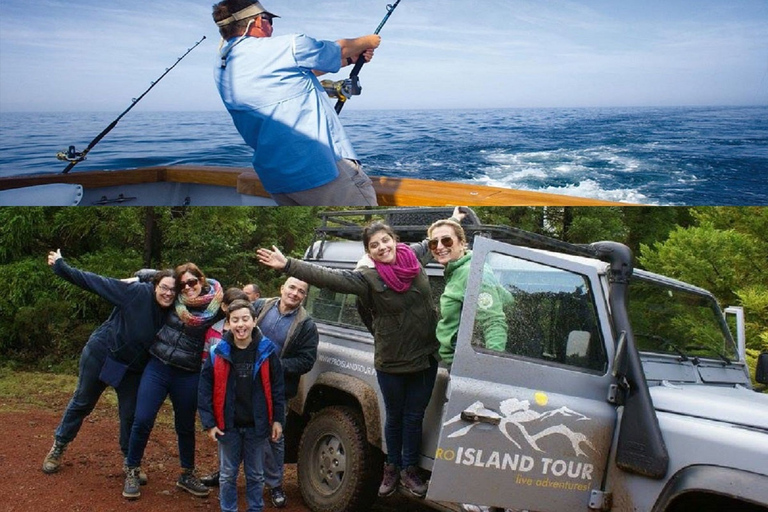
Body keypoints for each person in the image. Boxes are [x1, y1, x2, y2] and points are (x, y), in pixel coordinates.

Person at [257, 222, 439, 498]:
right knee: (395, 417)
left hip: (425, 357)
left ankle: (409, 470)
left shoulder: (412, 257)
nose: (382, 247)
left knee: (414, 417)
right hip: (391, 360)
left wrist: (453, 222)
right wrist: (288, 265)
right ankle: (391, 468)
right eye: (374, 245)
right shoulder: (367, 278)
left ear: (394, 240)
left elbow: (430, 241)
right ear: (369, 252)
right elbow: (329, 277)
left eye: (385, 240)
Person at [211, 0, 381, 206]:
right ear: (257, 21)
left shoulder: (223, 65)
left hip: (278, 180)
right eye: (269, 19)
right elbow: (340, 48)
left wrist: (350, 60)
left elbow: (301, 71)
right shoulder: (289, 45)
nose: (272, 26)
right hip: (322, 171)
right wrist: (368, 41)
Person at [42, 250, 176, 480]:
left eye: (173, 290)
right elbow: (95, 282)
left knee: (130, 415)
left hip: (132, 369)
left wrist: (146, 274)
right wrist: (62, 267)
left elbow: (207, 286)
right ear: (155, 285)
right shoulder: (134, 293)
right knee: (82, 402)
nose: (168, 293)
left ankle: (130, 461)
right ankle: (59, 445)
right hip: (102, 354)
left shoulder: (177, 309)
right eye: (163, 287)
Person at [122, 263, 224, 500]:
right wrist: (143, 276)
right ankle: (132, 470)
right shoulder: (173, 299)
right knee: (143, 419)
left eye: (193, 282)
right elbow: (147, 276)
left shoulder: (216, 306)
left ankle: (187, 474)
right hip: (158, 366)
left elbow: (240, 305)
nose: (188, 287)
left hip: (188, 373)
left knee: (185, 425)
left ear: (202, 280)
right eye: (183, 284)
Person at [198, 300, 286, 512]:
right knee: (227, 474)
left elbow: (277, 388)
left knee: (256, 474)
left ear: (255, 321)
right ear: (228, 323)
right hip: (228, 425)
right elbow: (204, 389)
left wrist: (277, 420)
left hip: (258, 426)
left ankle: (255, 508)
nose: (241, 325)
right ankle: (229, 509)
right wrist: (209, 423)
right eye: (235, 320)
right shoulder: (217, 352)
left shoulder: (267, 351)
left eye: (245, 319)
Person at [252, 276, 319, 508]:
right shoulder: (261, 306)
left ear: (304, 296)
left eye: (301, 291)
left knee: (274, 438)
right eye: (292, 287)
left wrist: (277, 366)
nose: (295, 293)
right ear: (282, 288)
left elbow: (307, 361)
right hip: (244, 382)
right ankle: (224, 475)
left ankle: (275, 485)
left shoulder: (307, 325)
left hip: (277, 388)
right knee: (233, 430)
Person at [427, 210, 509, 366]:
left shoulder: (475, 273)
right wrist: (454, 219)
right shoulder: (455, 269)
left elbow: (494, 323)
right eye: (433, 243)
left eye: (447, 241)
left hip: (463, 365)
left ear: (462, 243)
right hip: (449, 359)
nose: (439, 247)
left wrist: (490, 368)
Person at [203, 287, 250, 358]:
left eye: (242, 307)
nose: (238, 310)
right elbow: (205, 359)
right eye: (234, 307)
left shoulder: (251, 330)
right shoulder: (214, 331)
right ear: (224, 306)